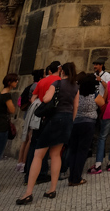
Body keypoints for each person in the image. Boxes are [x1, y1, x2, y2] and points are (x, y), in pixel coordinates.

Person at [17, 61, 79, 204]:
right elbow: (75, 107)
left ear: (61, 71)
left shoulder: (57, 84)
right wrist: (71, 121)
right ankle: (52, 189)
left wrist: (44, 98)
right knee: (56, 154)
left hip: (53, 120)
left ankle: (28, 193)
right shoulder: (75, 87)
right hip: (67, 120)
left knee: (38, 155)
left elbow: (46, 99)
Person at [23, 60, 61, 185]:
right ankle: (42, 173)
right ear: (59, 69)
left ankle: (28, 173)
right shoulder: (58, 82)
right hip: (50, 116)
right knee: (45, 146)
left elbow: (33, 99)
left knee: (34, 144)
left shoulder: (42, 81)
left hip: (38, 115)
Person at [67, 71, 104, 186]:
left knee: (73, 150)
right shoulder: (94, 95)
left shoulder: (76, 94)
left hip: (75, 123)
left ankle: (71, 176)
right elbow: (102, 103)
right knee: (82, 152)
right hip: (88, 124)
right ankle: (76, 178)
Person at [17, 70, 44, 174]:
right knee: (30, 139)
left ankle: (20, 162)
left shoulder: (30, 86)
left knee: (25, 139)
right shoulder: (37, 86)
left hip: (27, 113)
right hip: (32, 115)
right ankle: (25, 162)